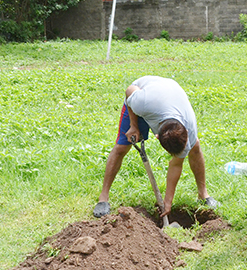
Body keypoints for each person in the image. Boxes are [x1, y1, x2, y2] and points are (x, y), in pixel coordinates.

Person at [93, 76, 218, 218]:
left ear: (187, 133)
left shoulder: (188, 124)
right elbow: (129, 91)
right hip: (143, 92)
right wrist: (134, 126)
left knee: (195, 147)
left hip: (170, 94)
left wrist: (168, 202)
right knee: (121, 147)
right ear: (157, 136)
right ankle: (103, 198)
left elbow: (176, 164)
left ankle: (203, 194)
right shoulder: (142, 102)